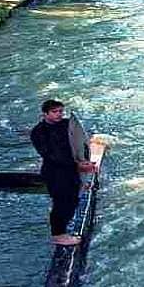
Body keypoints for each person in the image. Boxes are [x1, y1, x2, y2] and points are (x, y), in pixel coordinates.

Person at [30, 100, 95, 245]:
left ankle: (63, 229)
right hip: (55, 173)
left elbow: (79, 143)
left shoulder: (67, 125)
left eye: (60, 111)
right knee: (61, 203)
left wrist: (84, 161)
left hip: (72, 171)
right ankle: (58, 235)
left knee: (73, 200)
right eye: (54, 112)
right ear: (45, 113)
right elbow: (50, 155)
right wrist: (78, 165)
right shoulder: (38, 132)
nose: (59, 114)